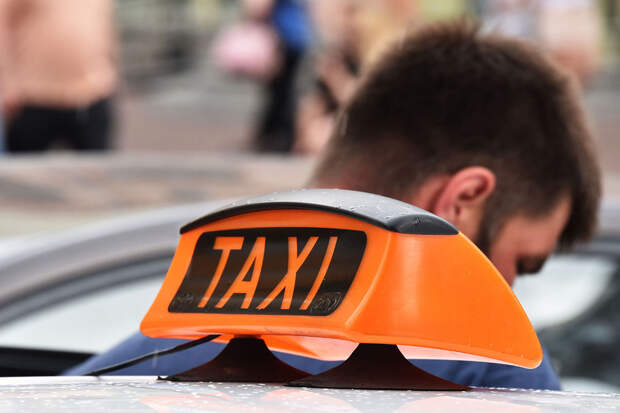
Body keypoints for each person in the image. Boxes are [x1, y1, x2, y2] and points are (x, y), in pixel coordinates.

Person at [66, 21, 600, 390]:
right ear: (462, 200)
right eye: (523, 263)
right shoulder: (488, 369)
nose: (510, 288)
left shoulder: (134, 363)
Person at [0, 0, 117, 152]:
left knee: (98, 164)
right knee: (27, 163)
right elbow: (4, 26)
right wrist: (8, 83)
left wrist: (109, 74)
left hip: (91, 96)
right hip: (34, 98)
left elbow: (104, 27)